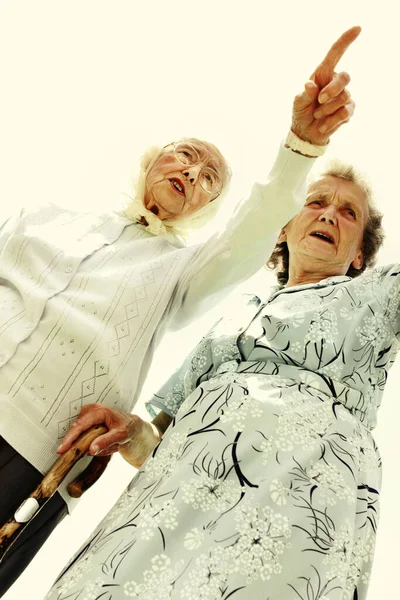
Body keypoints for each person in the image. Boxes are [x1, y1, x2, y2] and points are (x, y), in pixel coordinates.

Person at [0, 27, 358, 597]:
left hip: (30, 454)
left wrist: (300, 145)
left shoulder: (182, 272)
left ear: (203, 209)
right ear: (153, 159)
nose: (192, 173)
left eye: (208, 179)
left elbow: (249, 234)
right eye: (186, 156)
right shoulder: (41, 215)